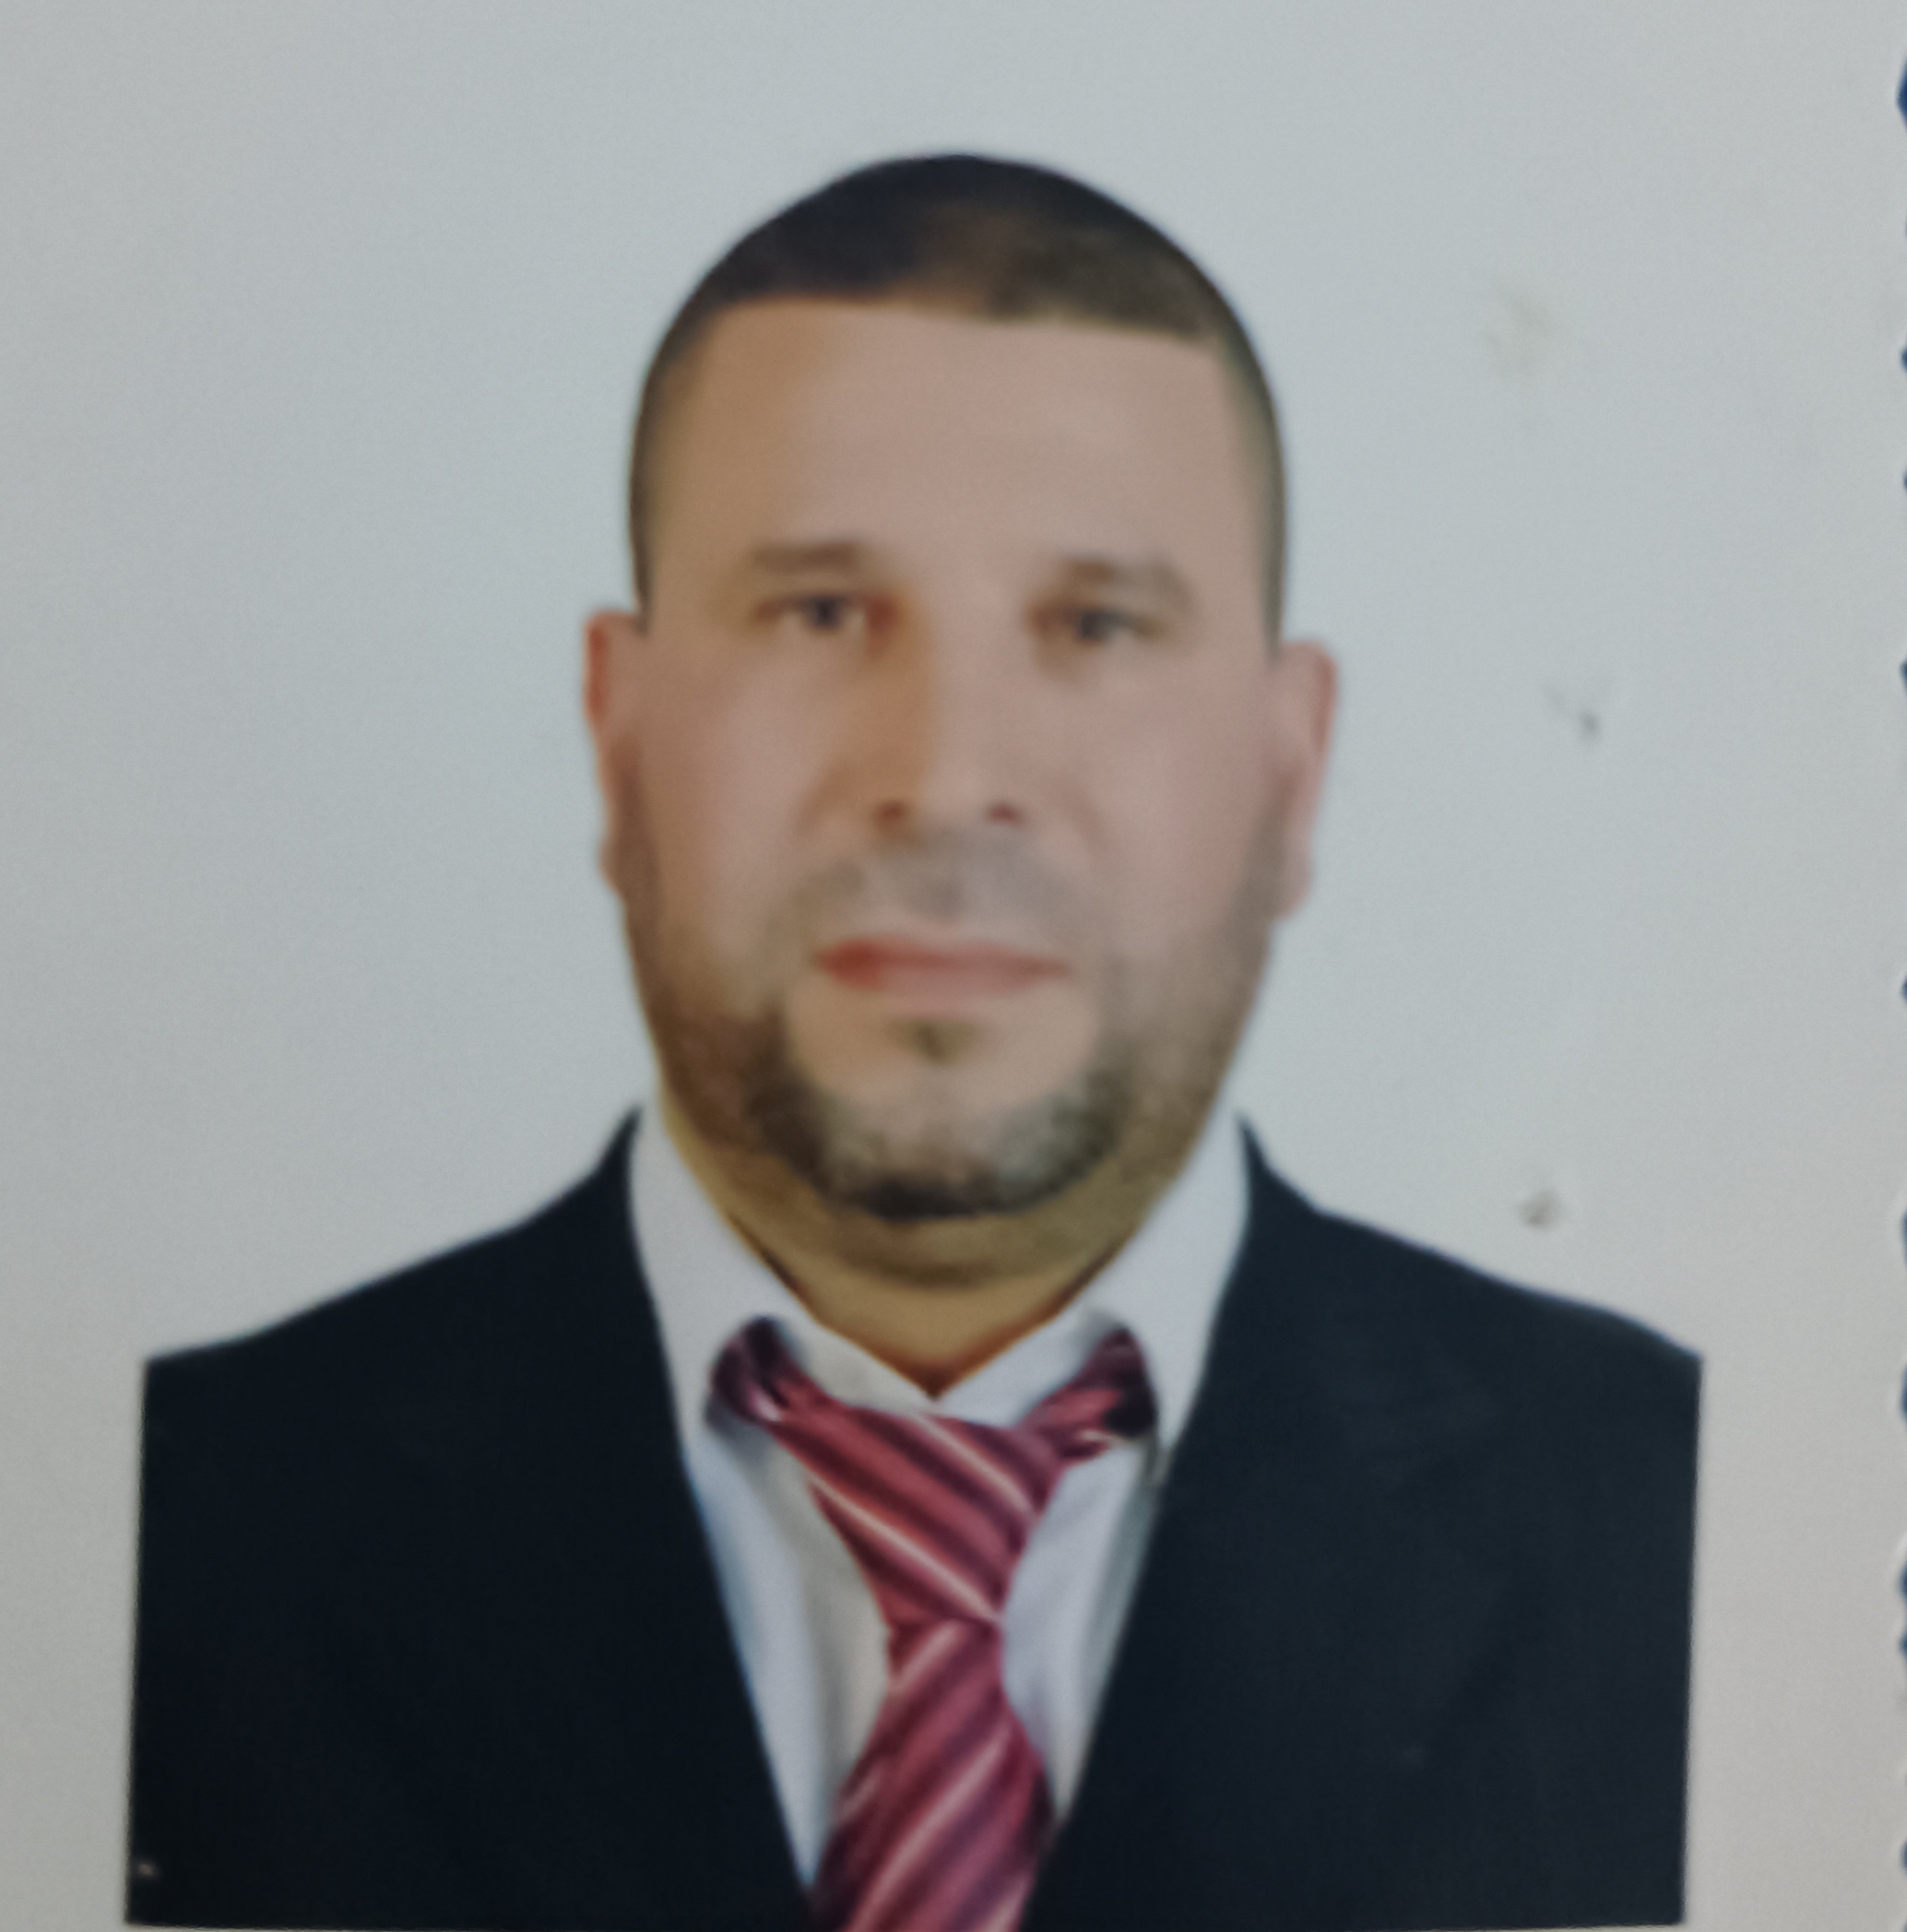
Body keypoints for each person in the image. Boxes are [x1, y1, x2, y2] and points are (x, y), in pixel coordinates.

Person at [126, 155, 1699, 1932]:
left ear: (1290, 773)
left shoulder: (1688, 1521)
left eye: (1095, 625)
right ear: (616, 738)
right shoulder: (161, 1528)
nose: (946, 776)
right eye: (819, 612)